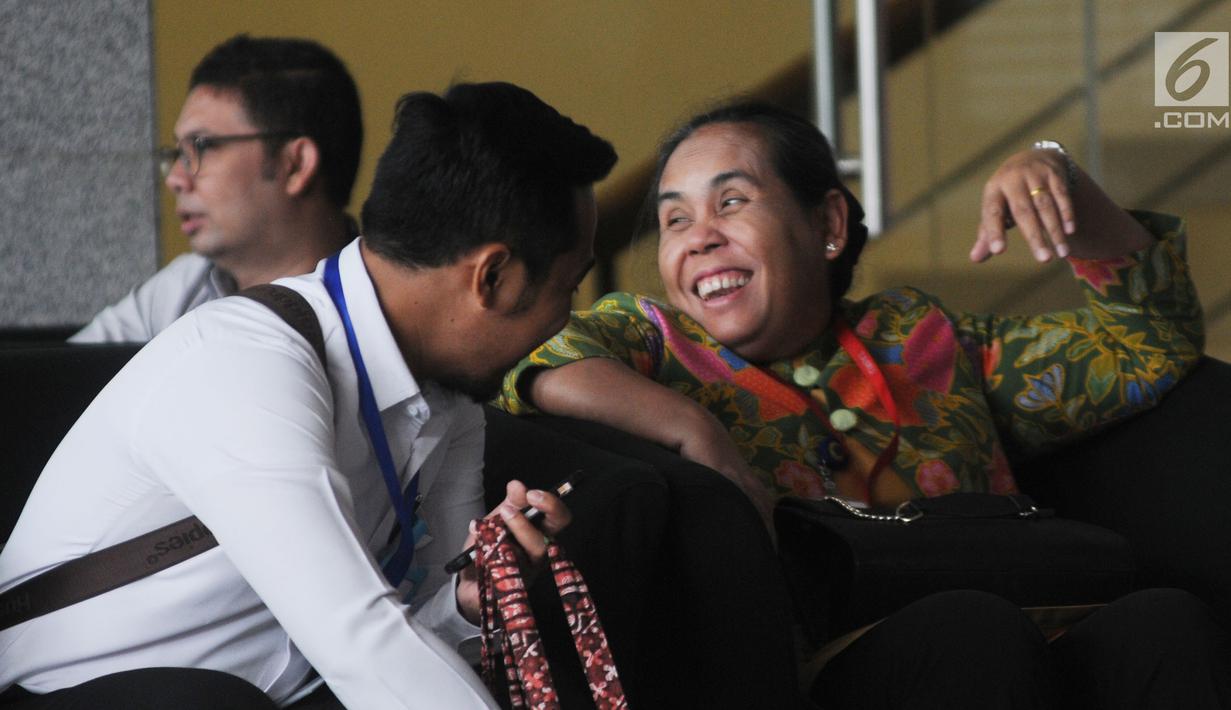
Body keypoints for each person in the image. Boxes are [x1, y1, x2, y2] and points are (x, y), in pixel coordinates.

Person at [496, 102, 1230, 708]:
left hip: (1038, 614)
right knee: (965, 631)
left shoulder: (925, 336)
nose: (700, 238)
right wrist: (694, 429)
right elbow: (537, 364)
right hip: (828, 670)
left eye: (731, 202)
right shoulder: (649, 342)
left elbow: (1149, 343)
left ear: (829, 226)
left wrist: (1060, 177)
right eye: (674, 220)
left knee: (1164, 622)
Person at [0, 81, 616, 709]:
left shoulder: (451, 400)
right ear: (493, 276)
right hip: (63, 691)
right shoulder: (242, 364)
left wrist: (465, 603)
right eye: (567, 288)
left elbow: (403, 642)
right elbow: (363, 641)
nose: (563, 321)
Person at [70, 34, 363, 344]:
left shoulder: (382, 306)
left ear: (296, 164)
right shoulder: (183, 287)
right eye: (179, 154)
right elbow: (55, 384)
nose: (176, 179)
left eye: (204, 146)